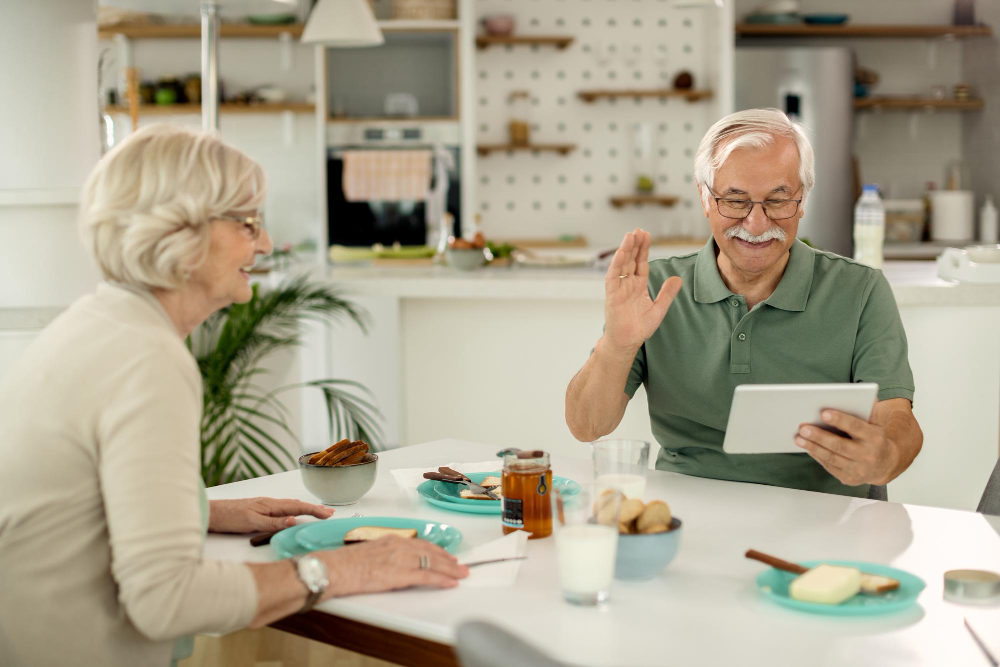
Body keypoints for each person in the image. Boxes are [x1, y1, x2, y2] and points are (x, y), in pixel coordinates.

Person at [0, 124, 467, 667]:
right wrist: (345, 569)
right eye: (248, 222)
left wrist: (200, 510)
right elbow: (165, 600)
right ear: (177, 232)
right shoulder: (145, 357)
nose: (265, 243)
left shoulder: (97, 324)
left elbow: (72, 512)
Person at [565, 108, 922, 498]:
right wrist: (617, 345)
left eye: (778, 201)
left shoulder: (861, 290)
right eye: (735, 201)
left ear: (802, 202)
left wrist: (884, 457)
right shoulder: (654, 287)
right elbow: (587, 426)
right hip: (692, 508)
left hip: (826, 514)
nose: (756, 223)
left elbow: (897, 418)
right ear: (704, 198)